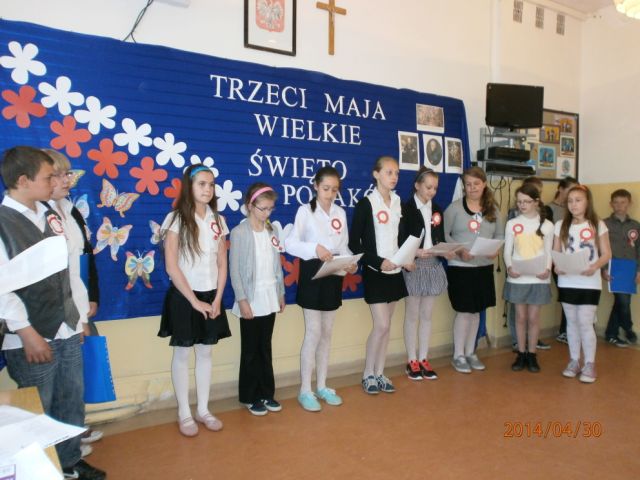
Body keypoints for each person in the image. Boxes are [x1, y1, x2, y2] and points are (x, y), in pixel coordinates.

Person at [0, 146, 106, 480]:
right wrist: (26, 331)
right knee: (39, 408)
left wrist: (79, 318)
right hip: (31, 335)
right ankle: (41, 470)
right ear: (23, 181)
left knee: (71, 398)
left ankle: (70, 461)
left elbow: (69, 271)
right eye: (48, 177)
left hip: (66, 325)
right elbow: (3, 288)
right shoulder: (4, 223)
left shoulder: (51, 214)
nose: (56, 182)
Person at [158, 164, 231, 436]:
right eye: (201, 184)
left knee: (206, 352)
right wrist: (194, 301)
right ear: (189, 186)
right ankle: (184, 413)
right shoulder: (176, 218)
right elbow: (171, 266)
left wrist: (218, 298)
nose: (207, 189)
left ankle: (203, 409)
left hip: (211, 295)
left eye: (211, 185)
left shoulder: (218, 220)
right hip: (185, 296)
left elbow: (222, 262)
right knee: (182, 353)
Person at [43, 149, 104, 452]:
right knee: (56, 383)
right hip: (56, 313)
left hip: (78, 302)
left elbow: (84, 257)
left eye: (68, 173)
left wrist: (92, 296)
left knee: (75, 377)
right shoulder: (39, 215)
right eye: (59, 174)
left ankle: (72, 431)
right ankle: (60, 446)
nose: (67, 179)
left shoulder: (70, 209)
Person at [285, 167, 357, 412]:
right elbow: (290, 243)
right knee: (313, 332)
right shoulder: (305, 211)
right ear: (315, 186)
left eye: (335, 190)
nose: (330, 194)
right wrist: (315, 248)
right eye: (326, 188)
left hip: (333, 274)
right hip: (312, 274)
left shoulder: (340, 212)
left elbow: (344, 246)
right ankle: (305, 390)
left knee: (327, 333)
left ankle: (323, 385)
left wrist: (350, 262)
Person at [349, 156, 408, 395]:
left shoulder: (398, 202)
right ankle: (368, 374)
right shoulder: (366, 204)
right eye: (389, 172)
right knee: (381, 325)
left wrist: (406, 257)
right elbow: (354, 243)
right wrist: (377, 262)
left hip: (395, 271)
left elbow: (401, 237)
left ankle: (380, 372)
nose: (394, 177)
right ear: (376, 174)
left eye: (396, 173)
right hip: (375, 272)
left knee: (387, 326)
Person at [229, 182, 285, 416]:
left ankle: (266, 393)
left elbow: (277, 265)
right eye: (263, 208)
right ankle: (249, 396)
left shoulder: (272, 231)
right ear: (250, 206)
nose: (267, 213)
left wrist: (281, 292)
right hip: (251, 298)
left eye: (270, 209)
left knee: (265, 346)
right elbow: (234, 270)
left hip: (269, 295)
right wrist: (242, 300)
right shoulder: (239, 233)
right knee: (250, 349)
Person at [444, 166, 504, 374]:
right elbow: (445, 235)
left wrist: (495, 250)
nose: (472, 188)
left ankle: (471, 352)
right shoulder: (454, 209)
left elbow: (500, 235)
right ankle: (458, 355)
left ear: (484, 184)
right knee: (464, 311)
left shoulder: (493, 210)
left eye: (476, 184)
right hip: (461, 267)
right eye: (468, 184)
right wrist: (459, 251)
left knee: (477, 311)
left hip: (483, 266)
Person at [553, 185, 611, 383]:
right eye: (570, 201)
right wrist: (557, 266)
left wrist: (595, 267)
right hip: (567, 280)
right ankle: (574, 360)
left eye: (578, 200)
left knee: (585, 322)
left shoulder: (597, 224)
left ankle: (590, 364)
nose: (573, 205)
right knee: (571, 322)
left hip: (589, 282)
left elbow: (606, 254)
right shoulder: (560, 225)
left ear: (587, 202)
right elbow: (556, 252)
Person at [399, 167, 453, 380]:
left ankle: (423, 358)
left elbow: (439, 238)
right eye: (428, 187)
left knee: (427, 315)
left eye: (435, 188)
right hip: (414, 265)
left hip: (433, 264)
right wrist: (413, 253)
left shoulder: (437, 209)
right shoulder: (405, 209)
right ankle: (411, 359)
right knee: (412, 315)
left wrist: (445, 250)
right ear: (417, 185)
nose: (432, 191)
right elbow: (400, 240)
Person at [503, 183, 554, 373]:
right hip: (518, 277)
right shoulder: (512, 224)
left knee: (533, 318)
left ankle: (532, 354)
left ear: (536, 202)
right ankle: (521, 353)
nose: (522, 205)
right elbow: (507, 251)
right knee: (520, 317)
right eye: (519, 202)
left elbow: (548, 252)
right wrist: (509, 267)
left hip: (539, 277)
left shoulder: (547, 225)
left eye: (526, 201)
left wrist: (547, 269)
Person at [603, 189, 640, 346]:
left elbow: (638, 249)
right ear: (611, 204)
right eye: (616, 202)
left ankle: (611, 333)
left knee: (622, 302)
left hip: (630, 268)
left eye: (623, 202)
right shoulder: (604, 224)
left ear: (629, 203)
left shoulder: (636, 225)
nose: (619, 206)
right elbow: (600, 248)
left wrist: (639, 270)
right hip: (613, 267)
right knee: (623, 302)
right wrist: (603, 268)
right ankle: (628, 328)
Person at [549, 177, 578, 344]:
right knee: (566, 294)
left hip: (573, 258)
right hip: (557, 259)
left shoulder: (572, 209)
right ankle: (564, 331)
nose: (573, 194)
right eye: (570, 189)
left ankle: (569, 329)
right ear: (560, 188)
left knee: (572, 293)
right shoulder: (550, 209)